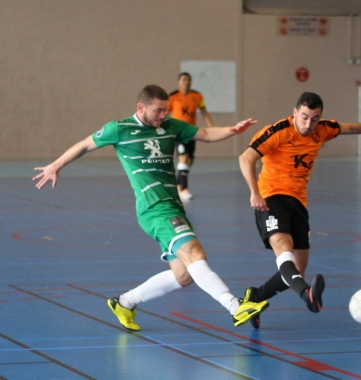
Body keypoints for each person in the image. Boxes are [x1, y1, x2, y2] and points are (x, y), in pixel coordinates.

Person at [33, 84, 268, 331]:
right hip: (154, 207)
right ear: (140, 108)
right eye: (158, 111)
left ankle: (124, 302)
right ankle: (235, 306)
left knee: (184, 275)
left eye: (166, 110)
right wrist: (56, 165)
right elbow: (84, 145)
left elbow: (206, 134)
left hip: (173, 206)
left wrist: (232, 130)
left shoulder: (170, 126)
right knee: (195, 254)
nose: (163, 116)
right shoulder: (119, 129)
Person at [239, 92, 361, 328]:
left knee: (298, 269)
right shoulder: (278, 131)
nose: (308, 124)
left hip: (298, 202)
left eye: (314, 119)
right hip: (270, 197)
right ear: (295, 113)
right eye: (304, 117)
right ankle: (307, 295)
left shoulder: (322, 130)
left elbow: (352, 128)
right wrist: (254, 192)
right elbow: (246, 158)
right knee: (283, 248)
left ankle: (255, 297)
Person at [168, 72, 214, 200]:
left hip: (192, 132)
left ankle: (177, 183)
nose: (186, 82)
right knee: (183, 157)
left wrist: (211, 127)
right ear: (179, 82)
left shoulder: (197, 96)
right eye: (183, 80)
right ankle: (184, 189)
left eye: (188, 80)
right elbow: (164, 113)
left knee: (189, 161)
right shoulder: (173, 97)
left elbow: (204, 112)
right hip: (178, 132)